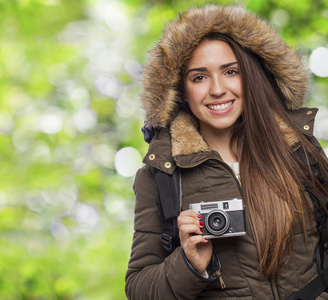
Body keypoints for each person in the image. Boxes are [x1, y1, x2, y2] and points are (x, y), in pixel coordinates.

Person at [125, 4, 328, 300]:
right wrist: (189, 263)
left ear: (252, 76)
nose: (218, 89)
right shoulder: (162, 177)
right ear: (181, 90)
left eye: (230, 71)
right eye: (199, 77)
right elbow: (139, 290)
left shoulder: (298, 149)